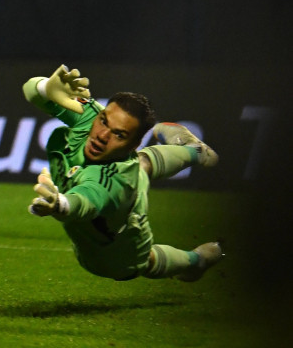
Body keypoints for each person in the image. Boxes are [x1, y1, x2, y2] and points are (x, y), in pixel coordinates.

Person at [23, 65, 223, 282]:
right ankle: (196, 151)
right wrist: (45, 87)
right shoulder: (90, 118)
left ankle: (196, 261)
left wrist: (60, 205)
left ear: (134, 144)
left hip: (116, 251)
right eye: (104, 121)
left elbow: (85, 200)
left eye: (118, 135)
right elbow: (30, 90)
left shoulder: (113, 181)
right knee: (142, 164)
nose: (102, 135)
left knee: (145, 261)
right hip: (123, 178)